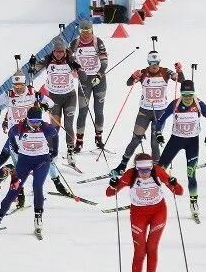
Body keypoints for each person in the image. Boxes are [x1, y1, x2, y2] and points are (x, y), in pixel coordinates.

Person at [106, 152, 184, 272]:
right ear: (136, 168)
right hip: (138, 215)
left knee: (152, 247)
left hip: (158, 213)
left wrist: (174, 183)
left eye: (147, 170)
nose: (144, 174)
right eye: (141, 170)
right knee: (139, 251)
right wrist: (113, 185)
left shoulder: (158, 171)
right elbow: (110, 193)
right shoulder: (130, 175)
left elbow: (179, 191)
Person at [155, 80, 206, 221]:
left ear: (193, 93)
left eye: (190, 95)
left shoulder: (199, 104)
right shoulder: (175, 103)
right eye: (184, 94)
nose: (187, 98)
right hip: (175, 141)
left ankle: (194, 203)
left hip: (192, 143)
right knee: (159, 170)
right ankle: (152, 196)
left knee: (191, 174)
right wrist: (159, 133)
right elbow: (160, 120)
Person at [112, 52, 183, 174]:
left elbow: (180, 80)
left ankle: (157, 168)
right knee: (135, 139)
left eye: (156, 63)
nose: (154, 66)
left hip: (160, 112)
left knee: (155, 142)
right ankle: (122, 165)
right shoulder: (143, 72)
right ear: (148, 63)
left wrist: (180, 71)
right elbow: (128, 83)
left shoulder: (166, 72)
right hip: (144, 111)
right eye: (151, 63)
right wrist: (133, 76)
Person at [0, 106, 58, 231]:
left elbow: (55, 135)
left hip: (42, 161)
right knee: (14, 190)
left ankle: (38, 216)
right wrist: (15, 147)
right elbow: (10, 134)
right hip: (24, 161)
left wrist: (54, 152)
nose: (35, 124)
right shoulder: (19, 128)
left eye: (37, 121)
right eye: (32, 121)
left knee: (37, 185)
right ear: (27, 119)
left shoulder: (45, 127)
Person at [28, 38, 82, 164]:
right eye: (57, 51)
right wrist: (32, 64)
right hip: (54, 98)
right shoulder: (48, 59)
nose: (59, 54)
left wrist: (77, 68)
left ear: (65, 51)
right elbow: (34, 69)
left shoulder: (70, 59)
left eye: (61, 51)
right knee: (54, 126)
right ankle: (51, 152)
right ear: (53, 51)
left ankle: (70, 152)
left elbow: (82, 75)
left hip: (70, 97)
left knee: (68, 125)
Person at [69, 19, 108, 152]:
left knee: (99, 110)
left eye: (88, 31)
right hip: (84, 81)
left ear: (92, 30)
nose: (85, 34)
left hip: (99, 80)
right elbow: (69, 59)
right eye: (82, 31)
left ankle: (99, 138)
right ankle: (79, 142)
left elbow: (104, 62)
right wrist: (76, 67)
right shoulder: (75, 43)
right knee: (83, 111)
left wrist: (99, 74)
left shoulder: (98, 42)